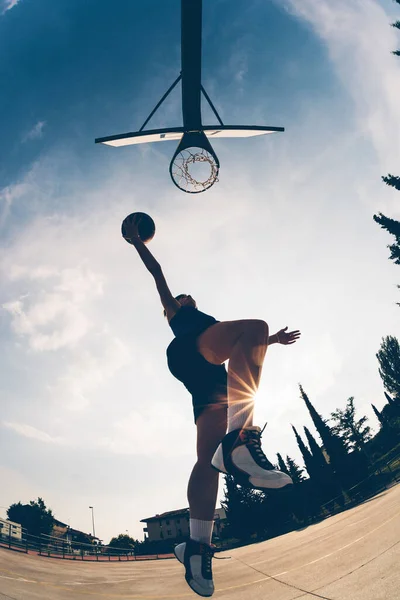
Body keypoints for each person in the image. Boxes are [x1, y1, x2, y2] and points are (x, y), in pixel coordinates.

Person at [129, 217, 301, 597]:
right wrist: (138, 243)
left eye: (189, 297)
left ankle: (196, 546)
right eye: (185, 297)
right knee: (252, 326)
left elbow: (244, 348)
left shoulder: (206, 325)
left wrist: (272, 340)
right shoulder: (179, 314)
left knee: (209, 462)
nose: (188, 297)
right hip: (190, 352)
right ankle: (242, 440)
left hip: (207, 384)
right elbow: (157, 274)